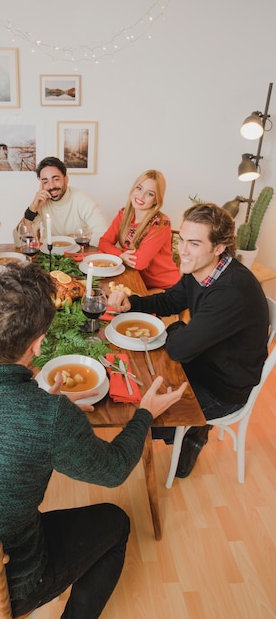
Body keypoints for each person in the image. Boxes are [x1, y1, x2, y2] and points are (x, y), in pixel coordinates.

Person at [0, 262, 186, 619]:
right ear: (38, 344)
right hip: (2, 585)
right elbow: (113, 470)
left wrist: (36, 399)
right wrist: (145, 413)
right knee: (117, 522)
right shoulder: (47, 416)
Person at [108, 202, 269, 477]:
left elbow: (179, 347)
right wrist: (131, 304)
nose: (182, 250)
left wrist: (178, 329)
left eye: (193, 244)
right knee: (132, 382)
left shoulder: (231, 291)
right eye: (182, 240)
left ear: (218, 248)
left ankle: (197, 431)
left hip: (223, 387)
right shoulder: (200, 269)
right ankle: (192, 429)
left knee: (141, 418)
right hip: (203, 359)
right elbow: (172, 299)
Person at [99, 169, 180, 290]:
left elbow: (139, 263)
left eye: (150, 194)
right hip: (136, 279)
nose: (141, 196)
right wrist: (121, 255)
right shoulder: (124, 214)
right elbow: (103, 243)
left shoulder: (161, 224)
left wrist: (119, 254)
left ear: (156, 200)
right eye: (139, 188)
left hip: (165, 287)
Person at [13, 156, 109, 247]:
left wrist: (71, 240)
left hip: (77, 254)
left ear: (66, 179)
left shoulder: (83, 200)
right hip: (48, 254)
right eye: (45, 181)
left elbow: (104, 237)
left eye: (56, 179)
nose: (51, 186)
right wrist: (32, 208)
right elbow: (21, 242)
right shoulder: (41, 202)